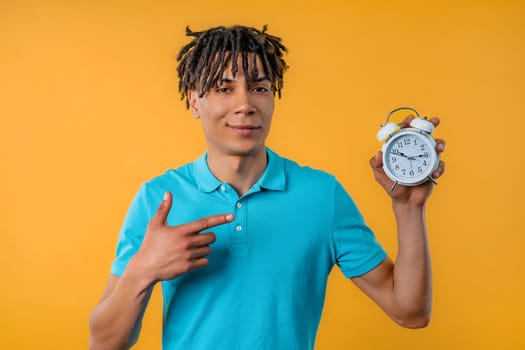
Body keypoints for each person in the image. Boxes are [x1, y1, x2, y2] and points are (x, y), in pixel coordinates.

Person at [89, 25, 446, 350]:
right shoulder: (158, 198)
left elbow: (410, 312)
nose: (245, 105)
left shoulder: (322, 195)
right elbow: (104, 343)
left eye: (259, 88)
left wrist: (409, 208)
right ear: (194, 101)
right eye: (223, 88)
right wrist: (143, 269)